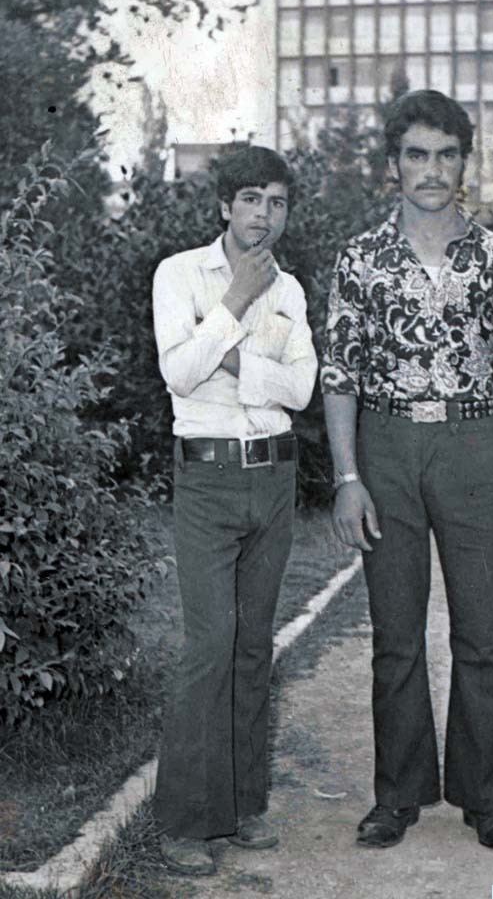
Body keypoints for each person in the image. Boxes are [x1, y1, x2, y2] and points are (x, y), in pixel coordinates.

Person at [321, 90, 493, 852]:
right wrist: (347, 478)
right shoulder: (361, 259)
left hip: (467, 446)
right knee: (396, 632)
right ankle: (397, 795)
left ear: (463, 163)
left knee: (481, 630)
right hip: (385, 448)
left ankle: (487, 799)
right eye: (417, 154)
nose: (431, 170)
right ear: (394, 163)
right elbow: (340, 375)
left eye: (446, 155)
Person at [152, 146, 317, 875]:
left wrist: (232, 359)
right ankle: (186, 821)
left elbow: (302, 389)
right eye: (251, 198)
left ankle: (244, 805)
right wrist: (236, 303)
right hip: (208, 480)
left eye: (276, 202)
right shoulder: (179, 275)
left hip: (273, 478)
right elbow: (180, 372)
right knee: (209, 643)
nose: (263, 215)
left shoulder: (293, 290)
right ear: (225, 205)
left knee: (254, 645)